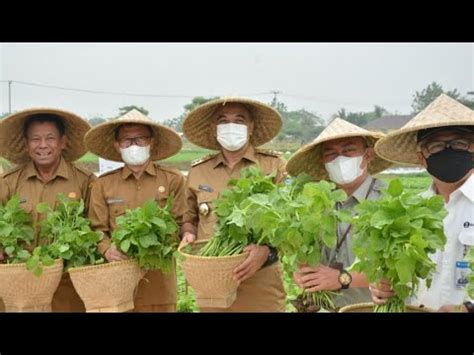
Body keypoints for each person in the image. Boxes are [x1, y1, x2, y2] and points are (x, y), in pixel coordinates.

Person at [180, 96, 287, 312]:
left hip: (261, 280)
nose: (231, 127)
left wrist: (267, 250)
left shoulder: (274, 166)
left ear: (251, 127)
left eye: (239, 120)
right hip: (212, 282)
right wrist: (188, 234)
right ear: (213, 128)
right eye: (223, 121)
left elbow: (290, 222)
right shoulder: (199, 170)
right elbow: (188, 218)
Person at [370, 93, 474, 313]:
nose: (448, 151)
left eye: (459, 143)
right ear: (421, 158)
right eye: (436, 147)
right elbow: (400, 279)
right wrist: (384, 288)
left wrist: (468, 308)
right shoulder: (411, 212)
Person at [86, 109, 186, 312]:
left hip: (160, 284)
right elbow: (96, 228)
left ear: (152, 142)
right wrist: (107, 249)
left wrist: (165, 243)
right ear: (117, 145)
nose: (133, 145)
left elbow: (183, 222)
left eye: (140, 139)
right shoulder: (103, 184)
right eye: (126, 140)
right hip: (118, 284)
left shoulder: (172, 180)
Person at [286, 118, 392, 309]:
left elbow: (397, 269)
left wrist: (341, 278)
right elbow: (303, 256)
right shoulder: (313, 204)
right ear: (323, 162)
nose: (339, 158)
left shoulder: (388, 201)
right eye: (331, 153)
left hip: (371, 308)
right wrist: (303, 276)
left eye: (348, 151)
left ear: (368, 155)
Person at [0, 108, 95, 312]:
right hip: (20, 282)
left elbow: (96, 227)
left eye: (50, 138)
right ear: (26, 144)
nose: (43, 145)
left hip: (67, 285)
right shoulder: (9, 182)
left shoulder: (84, 181)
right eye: (35, 139)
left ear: (63, 142)